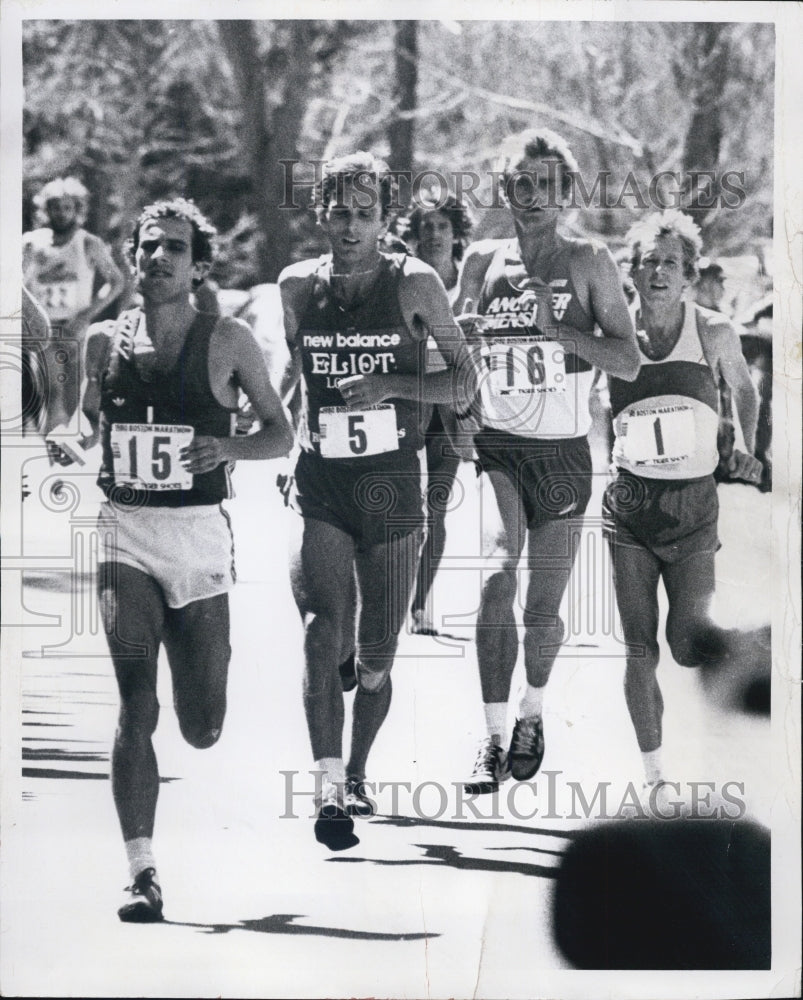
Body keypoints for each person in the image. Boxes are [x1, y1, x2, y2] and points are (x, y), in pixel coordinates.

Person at [73, 198, 292, 922]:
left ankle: (192, 661)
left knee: (202, 725)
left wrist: (225, 447)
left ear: (200, 267)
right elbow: (84, 425)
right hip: (125, 534)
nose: (156, 258)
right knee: (136, 703)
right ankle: (142, 872)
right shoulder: (103, 342)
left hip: (197, 540)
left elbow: (278, 434)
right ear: (131, 257)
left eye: (173, 248)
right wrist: (67, 444)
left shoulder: (226, 339)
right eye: (146, 246)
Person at [278, 152, 474, 849]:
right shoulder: (296, 286)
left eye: (365, 214)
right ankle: (329, 789)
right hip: (323, 483)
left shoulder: (415, 283)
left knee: (375, 658)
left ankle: (358, 768)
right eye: (339, 212)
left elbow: (463, 384)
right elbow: (301, 376)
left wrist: (394, 386)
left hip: (391, 486)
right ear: (321, 213)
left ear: (386, 220)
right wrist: (292, 436)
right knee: (318, 628)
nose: (350, 226)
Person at [455, 128, 640, 794]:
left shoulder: (587, 260)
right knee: (497, 575)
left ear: (564, 193)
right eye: (518, 183)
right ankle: (490, 733)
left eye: (544, 185)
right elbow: (446, 352)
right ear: (503, 189)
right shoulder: (480, 260)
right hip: (498, 446)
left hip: (561, 453)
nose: (530, 196)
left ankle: (533, 711)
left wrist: (556, 329)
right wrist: (461, 348)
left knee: (540, 608)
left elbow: (626, 358)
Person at [603, 209, 761, 795]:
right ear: (633, 273)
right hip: (629, 511)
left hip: (693, 509)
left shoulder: (713, 330)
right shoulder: (616, 339)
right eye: (650, 262)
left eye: (672, 262)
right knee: (638, 648)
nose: (660, 272)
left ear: (689, 275)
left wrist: (744, 446)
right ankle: (655, 778)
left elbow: (744, 388)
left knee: (688, 646)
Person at [404, 193, 474, 635]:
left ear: (456, 234)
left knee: (437, 507)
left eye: (441, 227)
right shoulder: (403, 278)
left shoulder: (469, 283)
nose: (432, 235)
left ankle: (420, 604)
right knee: (402, 506)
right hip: (407, 402)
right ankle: (389, 592)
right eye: (425, 227)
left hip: (451, 408)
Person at [23, 177, 126, 433]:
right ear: (45, 209)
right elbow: (16, 283)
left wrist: (87, 314)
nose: (61, 213)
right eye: (55, 207)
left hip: (75, 327)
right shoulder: (31, 243)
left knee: (72, 392)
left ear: (77, 209)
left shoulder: (88, 242)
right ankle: (51, 445)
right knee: (50, 388)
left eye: (67, 207)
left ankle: (64, 443)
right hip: (43, 327)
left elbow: (116, 281)